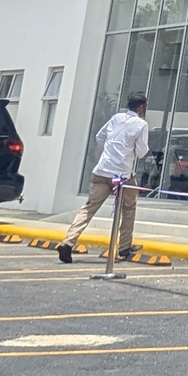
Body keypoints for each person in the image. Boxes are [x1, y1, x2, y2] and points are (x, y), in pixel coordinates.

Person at [58, 92, 151, 264]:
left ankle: (68, 242)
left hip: (102, 170)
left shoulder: (116, 118)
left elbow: (99, 137)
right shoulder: (141, 124)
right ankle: (124, 247)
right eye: (145, 106)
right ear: (140, 107)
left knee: (89, 208)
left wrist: (108, 153)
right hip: (122, 175)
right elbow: (141, 152)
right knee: (128, 208)